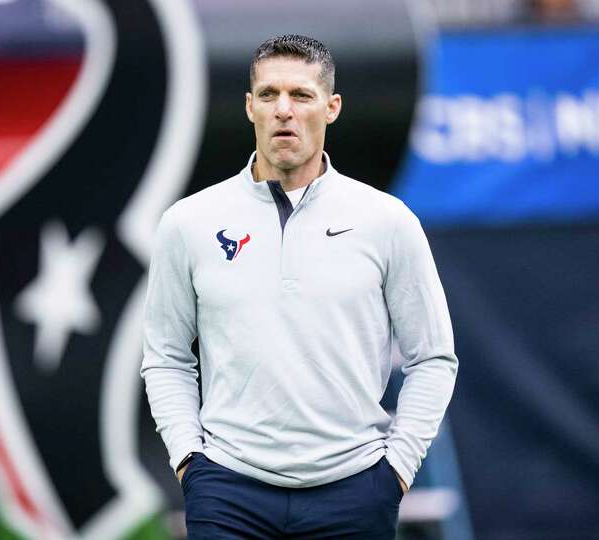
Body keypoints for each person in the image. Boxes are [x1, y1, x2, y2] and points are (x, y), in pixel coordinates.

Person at [141, 34, 458, 539]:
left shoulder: (386, 220)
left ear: (331, 107)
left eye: (301, 95)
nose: (283, 110)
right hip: (227, 492)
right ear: (249, 107)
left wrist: (395, 470)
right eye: (268, 95)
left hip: (354, 490)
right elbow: (165, 356)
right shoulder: (189, 223)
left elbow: (434, 357)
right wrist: (189, 462)